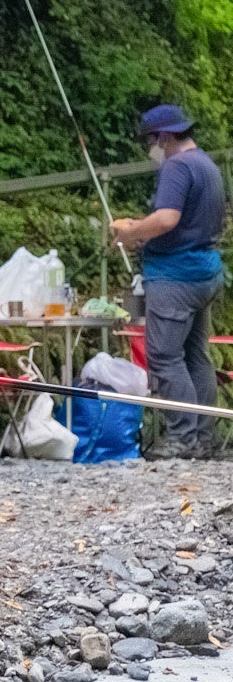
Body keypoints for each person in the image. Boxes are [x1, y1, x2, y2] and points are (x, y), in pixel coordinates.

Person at [112, 103, 226, 457]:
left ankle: (182, 437)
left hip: (175, 275)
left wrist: (130, 232)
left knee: (163, 355)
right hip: (206, 271)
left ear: (162, 136)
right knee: (196, 355)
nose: (151, 148)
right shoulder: (207, 165)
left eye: (150, 140)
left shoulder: (177, 166)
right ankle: (205, 436)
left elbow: (166, 219)